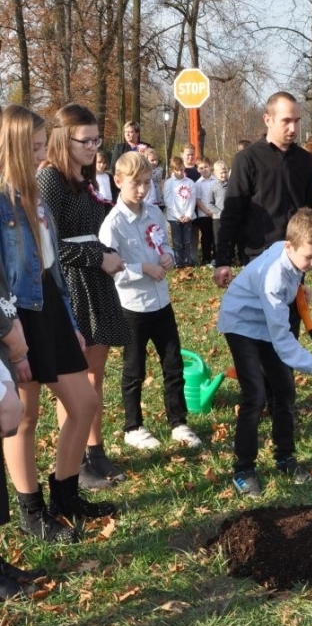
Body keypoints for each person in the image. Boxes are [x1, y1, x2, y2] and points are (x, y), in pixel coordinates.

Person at [0, 105, 117, 541]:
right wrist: (10, 333)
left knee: (83, 403)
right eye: (32, 147)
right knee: (24, 416)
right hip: (19, 313)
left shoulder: (35, 192)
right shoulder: (1, 197)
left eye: (41, 146)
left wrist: (69, 320)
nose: (40, 155)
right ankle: (32, 513)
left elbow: (49, 267)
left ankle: (65, 495)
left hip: (50, 305)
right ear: (11, 147)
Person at [217, 209, 312, 496]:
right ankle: (243, 469)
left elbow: (292, 267)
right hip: (242, 324)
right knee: (255, 396)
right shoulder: (273, 277)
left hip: (266, 323)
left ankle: (285, 456)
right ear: (290, 246)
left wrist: (298, 286)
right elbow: (283, 343)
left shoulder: (287, 252)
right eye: (308, 257)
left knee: (285, 390)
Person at [38, 103, 130, 492]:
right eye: (85, 140)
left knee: (95, 375)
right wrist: (98, 257)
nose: (94, 147)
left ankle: (94, 452)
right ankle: (73, 464)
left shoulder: (86, 177)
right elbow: (49, 245)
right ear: (63, 139)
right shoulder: (51, 181)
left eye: (97, 139)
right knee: (75, 380)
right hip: (72, 284)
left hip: (97, 281)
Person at [98, 152, 201, 452]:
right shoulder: (113, 224)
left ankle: (178, 422)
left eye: (146, 183)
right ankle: (134, 426)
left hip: (161, 303)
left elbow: (162, 243)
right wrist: (141, 268)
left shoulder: (154, 212)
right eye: (135, 184)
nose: (142, 190)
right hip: (133, 307)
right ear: (118, 182)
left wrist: (166, 255)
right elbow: (111, 269)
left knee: (173, 363)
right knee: (134, 369)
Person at [214, 92, 312, 285]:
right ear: (267, 119)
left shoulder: (304, 160)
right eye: (286, 121)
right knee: (260, 314)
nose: (293, 128)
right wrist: (223, 260)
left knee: (290, 315)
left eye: (297, 121)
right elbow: (232, 213)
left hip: (295, 256)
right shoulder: (247, 159)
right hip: (258, 258)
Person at [163, 155, 196, 268]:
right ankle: (178, 262)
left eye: (182, 169)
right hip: (174, 217)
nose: (180, 172)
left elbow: (192, 200)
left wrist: (188, 214)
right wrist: (178, 215)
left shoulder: (190, 182)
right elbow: (168, 201)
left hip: (188, 216)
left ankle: (186, 261)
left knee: (187, 241)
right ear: (173, 170)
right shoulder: (169, 183)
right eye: (177, 170)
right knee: (177, 242)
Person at [193, 157, 215, 266]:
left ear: (210, 166)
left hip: (216, 213)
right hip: (203, 214)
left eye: (206, 167)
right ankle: (206, 258)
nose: (204, 169)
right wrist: (207, 212)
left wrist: (215, 211)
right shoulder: (198, 184)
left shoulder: (216, 180)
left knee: (216, 235)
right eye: (201, 168)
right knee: (206, 236)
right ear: (198, 170)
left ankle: (216, 257)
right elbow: (197, 200)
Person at [207, 160, 229, 258]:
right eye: (221, 173)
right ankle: (217, 258)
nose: (224, 175)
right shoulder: (213, 187)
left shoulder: (231, 185)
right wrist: (219, 212)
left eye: (225, 172)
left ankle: (230, 257)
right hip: (218, 218)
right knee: (218, 239)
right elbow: (209, 203)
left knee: (229, 238)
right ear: (215, 174)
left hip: (229, 217)